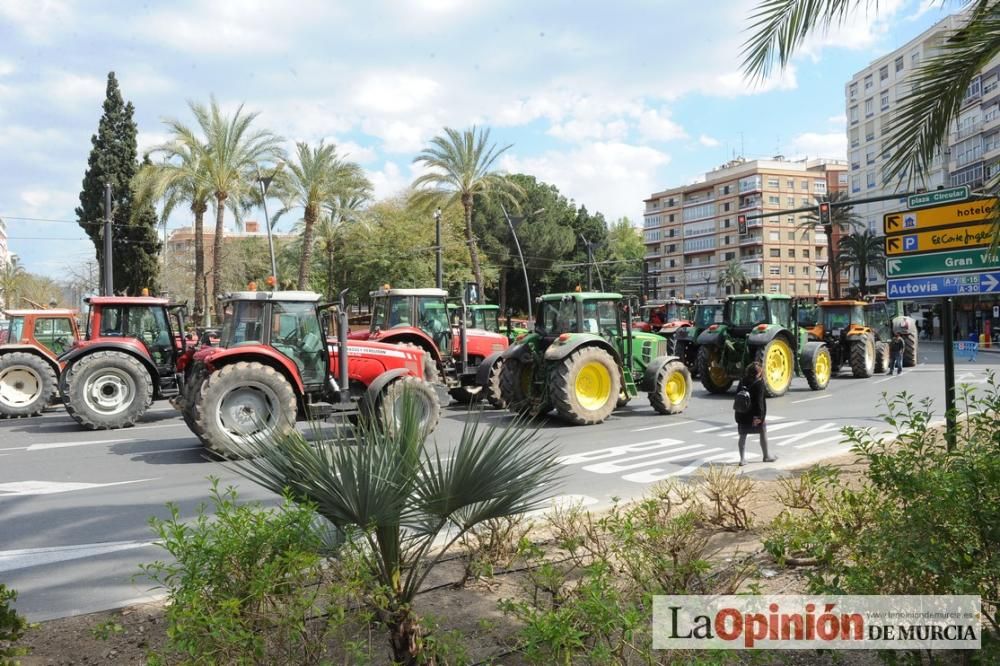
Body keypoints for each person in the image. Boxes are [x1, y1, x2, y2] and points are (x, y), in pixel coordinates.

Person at [734, 361, 776, 466]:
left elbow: (737, 396)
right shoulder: (759, 383)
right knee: (763, 433)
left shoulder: (742, 381)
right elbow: (759, 402)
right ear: (759, 373)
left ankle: (742, 459)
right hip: (755, 416)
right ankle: (766, 456)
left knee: (742, 436)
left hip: (742, 413)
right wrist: (760, 417)